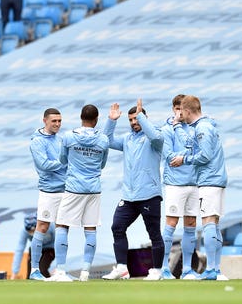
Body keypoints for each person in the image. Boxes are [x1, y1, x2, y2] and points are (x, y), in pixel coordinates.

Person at [101, 99, 165, 281]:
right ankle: (122, 268)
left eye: (136, 119)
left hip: (149, 195)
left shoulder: (154, 138)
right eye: (131, 120)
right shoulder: (127, 139)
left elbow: (156, 138)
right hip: (129, 196)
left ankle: (157, 270)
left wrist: (142, 118)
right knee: (117, 227)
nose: (134, 122)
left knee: (153, 233)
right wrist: (111, 121)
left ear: (144, 118)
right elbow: (107, 140)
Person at [47, 104, 109, 282]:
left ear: (81, 118)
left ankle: (60, 271)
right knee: (90, 229)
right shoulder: (103, 140)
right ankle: (85, 272)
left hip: (74, 187)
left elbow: (62, 159)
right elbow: (102, 164)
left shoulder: (68, 137)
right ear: (96, 120)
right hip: (93, 189)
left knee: (61, 225)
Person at [170, 95, 228, 281]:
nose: (182, 115)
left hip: (209, 180)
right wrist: (177, 126)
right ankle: (216, 269)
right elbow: (190, 144)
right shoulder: (204, 126)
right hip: (216, 179)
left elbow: (204, 156)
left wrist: (184, 160)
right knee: (215, 223)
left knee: (209, 222)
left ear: (187, 111)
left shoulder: (202, 128)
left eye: (182, 112)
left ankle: (211, 268)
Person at [159, 95, 199, 280]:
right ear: (173, 109)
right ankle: (164, 268)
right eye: (177, 109)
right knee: (171, 224)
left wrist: (185, 156)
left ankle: (187, 269)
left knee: (191, 224)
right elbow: (169, 156)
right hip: (175, 184)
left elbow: (202, 152)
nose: (180, 112)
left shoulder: (196, 128)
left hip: (194, 183)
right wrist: (191, 154)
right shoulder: (167, 130)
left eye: (183, 109)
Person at [28, 107, 66, 280]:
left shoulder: (61, 139)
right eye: (54, 121)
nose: (57, 124)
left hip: (65, 190)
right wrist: (65, 163)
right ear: (45, 121)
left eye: (59, 121)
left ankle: (61, 270)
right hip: (48, 190)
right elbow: (44, 164)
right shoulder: (37, 141)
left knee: (62, 228)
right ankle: (34, 270)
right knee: (42, 227)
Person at [12, 212, 56, 279]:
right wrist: (14, 272)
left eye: (34, 231)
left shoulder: (50, 226)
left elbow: (58, 245)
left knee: (42, 270)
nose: (32, 233)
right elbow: (19, 250)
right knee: (30, 275)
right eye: (30, 231)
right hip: (35, 249)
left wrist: (58, 267)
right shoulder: (24, 231)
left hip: (50, 248)